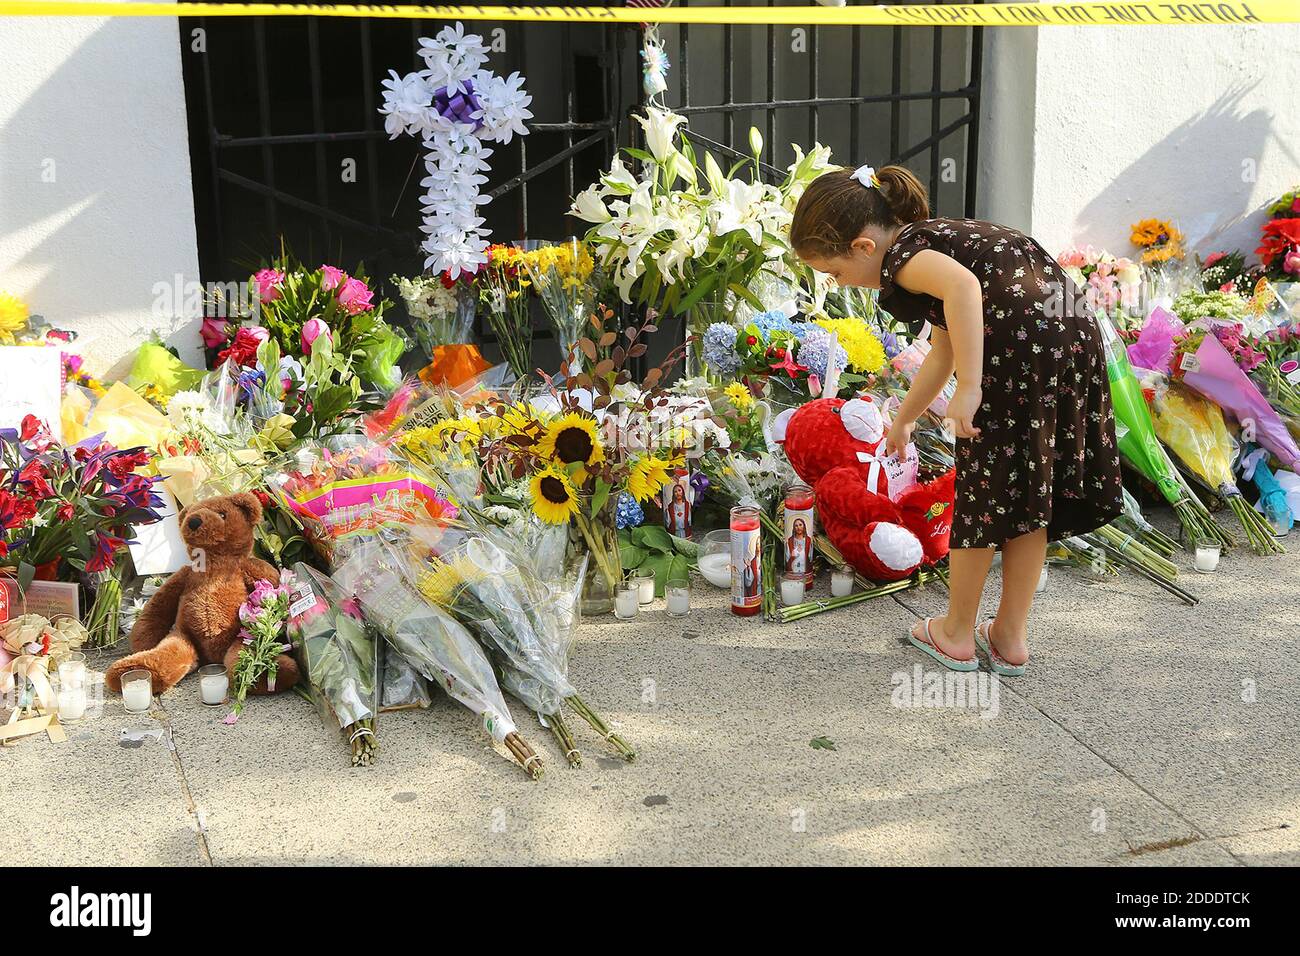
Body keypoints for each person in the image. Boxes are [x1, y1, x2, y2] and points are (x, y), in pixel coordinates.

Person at [789, 164, 1124, 676]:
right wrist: (903, 419)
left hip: (1016, 358)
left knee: (982, 496)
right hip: (1066, 348)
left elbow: (965, 291)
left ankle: (956, 632)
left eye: (833, 273)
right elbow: (945, 345)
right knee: (1029, 495)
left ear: (861, 247)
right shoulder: (935, 241)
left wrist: (970, 388)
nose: (840, 284)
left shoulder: (904, 258)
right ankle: (1010, 637)